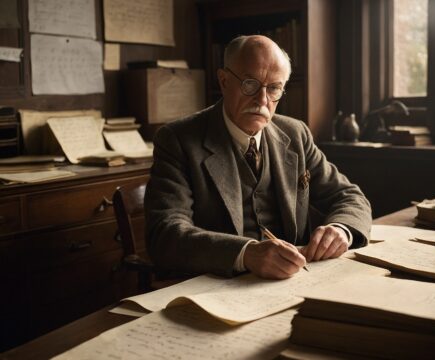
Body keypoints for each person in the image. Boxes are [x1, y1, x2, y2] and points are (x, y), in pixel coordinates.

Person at [145, 35, 371, 280]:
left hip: (295, 281)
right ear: (223, 81)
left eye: (274, 88)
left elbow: (350, 197)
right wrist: (246, 254)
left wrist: (341, 230)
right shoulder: (178, 140)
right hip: (216, 286)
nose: (262, 100)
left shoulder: (295, 134)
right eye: (250, 84)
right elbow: (165, 234)